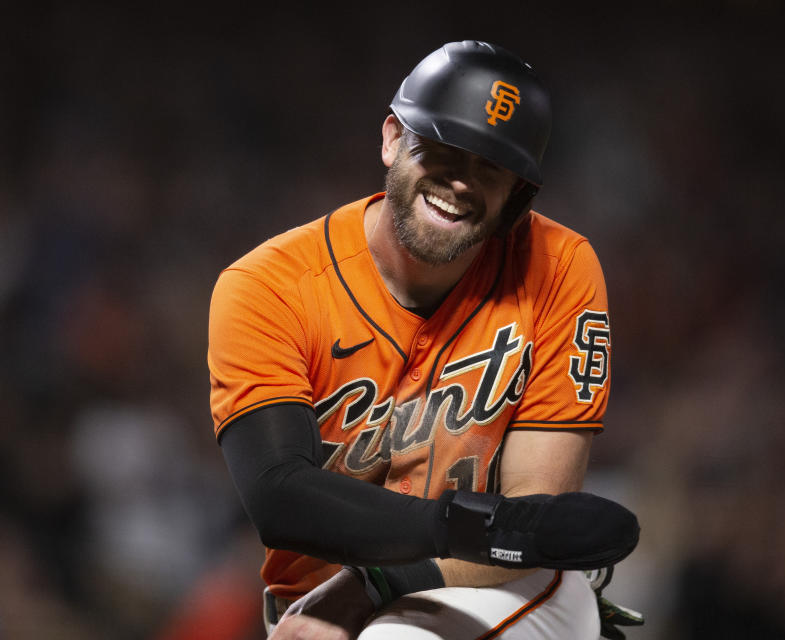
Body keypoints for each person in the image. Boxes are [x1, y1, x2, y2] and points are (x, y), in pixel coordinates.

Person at [208, 40, 643, 640]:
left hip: (500, 585)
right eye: (443, 148)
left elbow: (533, 526)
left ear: (517, 197)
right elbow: (281, 498)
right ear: (392, 140)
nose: (461, 182)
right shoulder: (269, 285)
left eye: (490, 167)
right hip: (313, 615)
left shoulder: (558, 266)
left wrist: (377, 584)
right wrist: (471, 526)